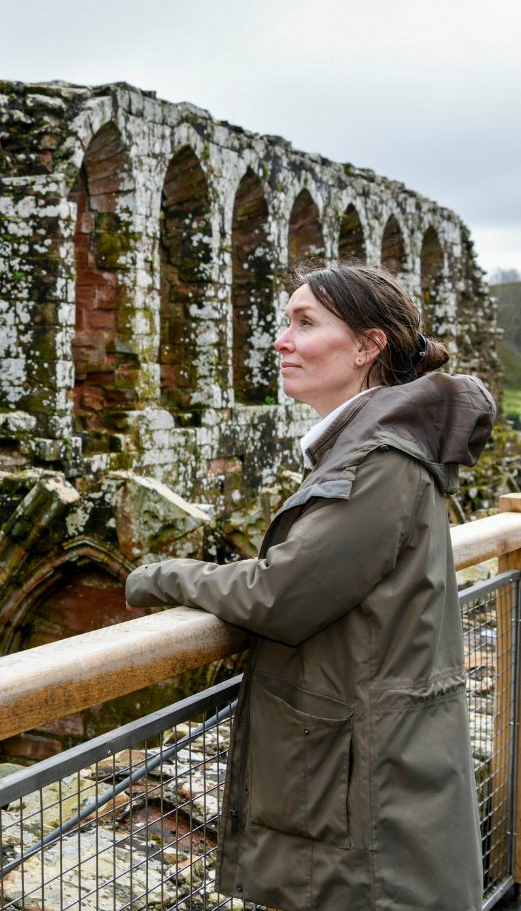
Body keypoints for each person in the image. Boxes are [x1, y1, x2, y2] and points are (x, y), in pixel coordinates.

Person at [125, 262, 496, 911]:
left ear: (365, 347)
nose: (281, 340)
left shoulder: (380, 460)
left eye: (305, 323)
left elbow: (283, 595)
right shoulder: (373, 444)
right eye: (285, 321)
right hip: (370, 763)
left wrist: (159, 576)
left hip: (371, 785)